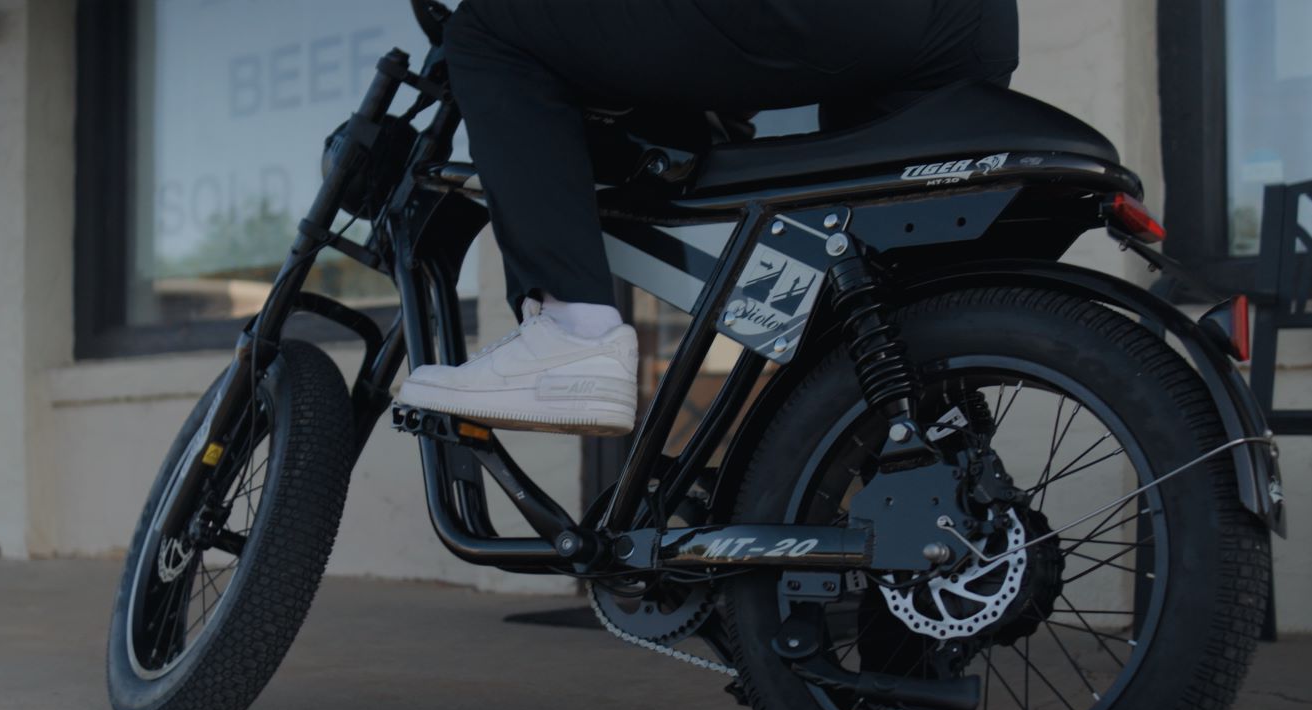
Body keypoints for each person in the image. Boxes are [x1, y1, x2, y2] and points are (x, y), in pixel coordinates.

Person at [397, 0, 1020, 435]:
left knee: (493, 26)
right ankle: (943, 531)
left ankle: (572, 333)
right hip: (969, 17)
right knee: (900, 347)